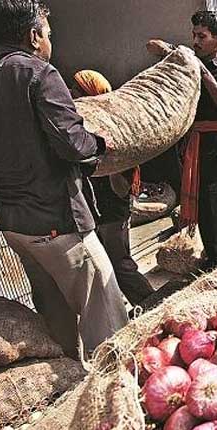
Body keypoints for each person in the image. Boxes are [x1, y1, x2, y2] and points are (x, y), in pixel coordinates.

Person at [0, 0, 128, 357]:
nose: (49, 42)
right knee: (105, 314)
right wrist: (101, 144)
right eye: (49, 34)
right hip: (57, 223)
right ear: (33, 35)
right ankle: (112, 394)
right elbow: (73, 144)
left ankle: (71, 383)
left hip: (14, 225)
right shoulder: (39, 73)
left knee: (56, 314)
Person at [147, 10, 217, 270]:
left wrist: (205, 75)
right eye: (194, 36)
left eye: (202, 36)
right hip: (194, 150)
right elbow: (153, 47)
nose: (196, 41)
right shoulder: (190, 66)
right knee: (206, 212)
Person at [72, 70, 155, 307]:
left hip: (113, 211)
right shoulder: (84, 130)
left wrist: (107, 161)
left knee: (121, 266)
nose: (73, 96)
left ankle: (151, 303)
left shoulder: (112, 131)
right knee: (107, 267)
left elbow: (121, 184)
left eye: (78, 91)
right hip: (97, 213)